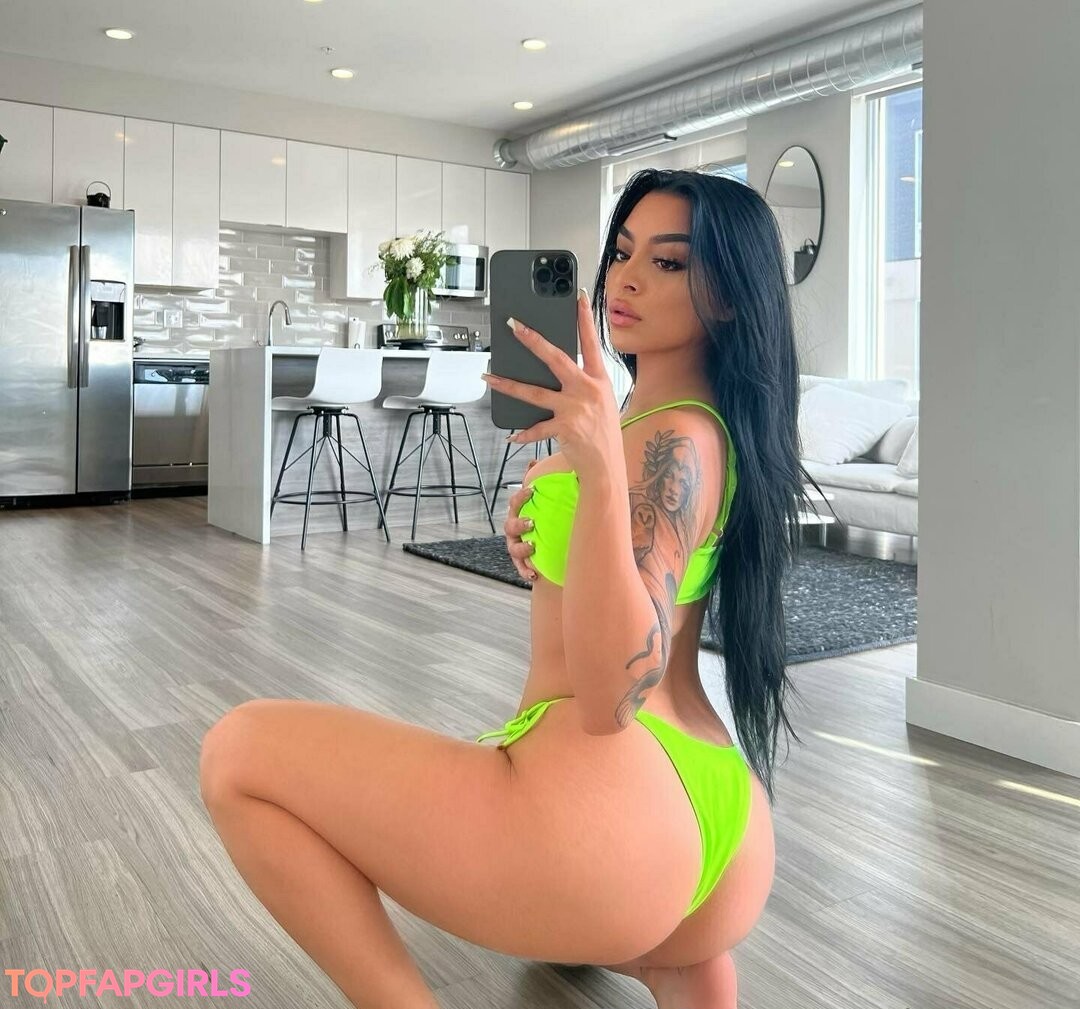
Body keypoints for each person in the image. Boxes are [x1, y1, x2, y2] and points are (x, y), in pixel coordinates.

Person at [199, 168, 824, 1009]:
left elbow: (612, 693)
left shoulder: (664, 439)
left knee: (239, 751)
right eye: (622, 252)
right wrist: (563, 522)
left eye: (669, 262)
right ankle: (671, 959)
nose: (626, 279)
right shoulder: (694, 424)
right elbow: (642, 570)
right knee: (573, 944)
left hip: (617, 814)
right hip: (719, 824)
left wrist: (594, 474)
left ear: (733, 297)